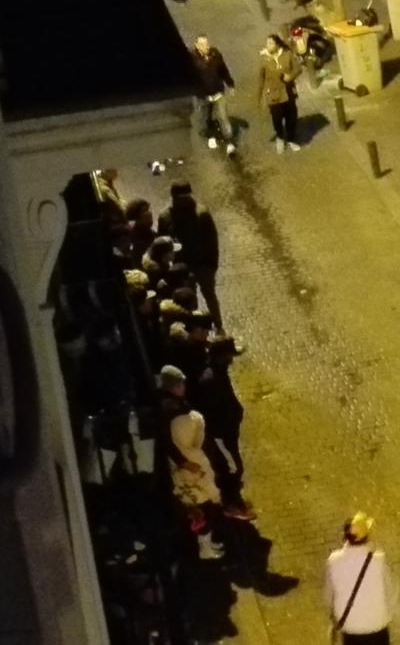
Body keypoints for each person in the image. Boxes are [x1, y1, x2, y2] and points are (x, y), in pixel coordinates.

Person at [162, 365, 226, 560]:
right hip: (187, 466)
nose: (182, 387)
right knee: (201, 507)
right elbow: (168, 442)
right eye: (178, 385)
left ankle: (208, 542)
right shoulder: (168, 409)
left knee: (205, 506)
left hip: (190, 462)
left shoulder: (176, 404)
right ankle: (204, 548)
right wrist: (183, 462)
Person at [193, 336, 253, 520]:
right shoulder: (211, 380)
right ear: (221, 356)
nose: (231, 359)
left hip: (226, 432)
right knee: (232, 469)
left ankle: (234, 501)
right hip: (221, 434)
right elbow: (213, 412)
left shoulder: (216, 373)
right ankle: (232, 504)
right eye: (229, 355)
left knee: (232, 467)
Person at [158, 179, 225, 334]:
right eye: (181, 197)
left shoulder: (201, 213)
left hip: (203, 264)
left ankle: (218, 326)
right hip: (181, 267)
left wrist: (212, 265)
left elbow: (211, 241)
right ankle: (194, 329)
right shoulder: (165, 216)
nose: (185, 200)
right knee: (187, 299)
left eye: (187, 196)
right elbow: (163, 242)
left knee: (210, 296)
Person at [324, 512, 400, 645]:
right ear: (367, 536)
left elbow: (328, 597)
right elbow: (392, 594)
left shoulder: (334, 561)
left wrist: (333, 620)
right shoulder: (378, 560)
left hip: (350, 631)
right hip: (377, 629)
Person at [190, 34, 237, 154]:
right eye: (202, 44)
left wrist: (230, 84)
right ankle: (211, 135)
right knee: (206, 117)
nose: (206, 47)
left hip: (218, 92)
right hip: (203, 96)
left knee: (223, 117)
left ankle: (229, 142)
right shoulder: (192, 58)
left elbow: (223, 70)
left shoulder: (215, 54)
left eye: (207, 44)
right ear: (197, 45)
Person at [258, 34, 302, 153]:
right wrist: (259, 98)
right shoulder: (264, 59)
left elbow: (298, 68)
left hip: (288, 93)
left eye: (271, 43)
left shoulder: (287, 54)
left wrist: (290, 76)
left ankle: (291, 139)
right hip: (273, 95)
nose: (268, 46)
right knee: (277, 119)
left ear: (277, 45)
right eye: (267, 43)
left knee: (291, 117)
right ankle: (280, 137)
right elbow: (261, 79)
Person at [126, 199, 157, 267]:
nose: (149, 212)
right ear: (136, 217)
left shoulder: (152, 233)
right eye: (144, 210)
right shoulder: (135, 239)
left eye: (148, 209)